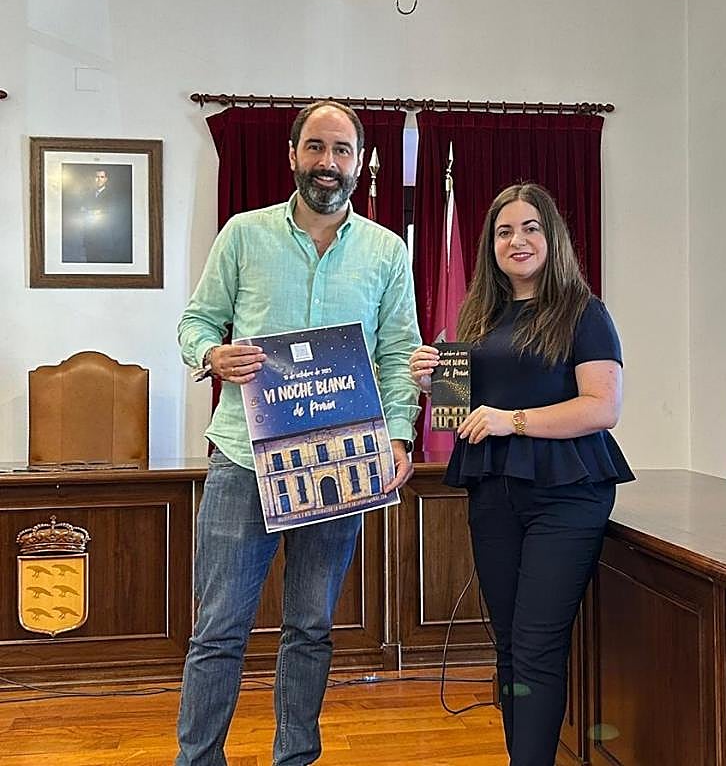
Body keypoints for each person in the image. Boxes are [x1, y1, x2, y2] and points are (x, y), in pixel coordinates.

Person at [176, 100, 422, 766]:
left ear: (362, 162)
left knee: (311, 629)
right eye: (316, 148)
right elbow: (195, 323)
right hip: (242, 461)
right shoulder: (243, 235)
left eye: (342, 151)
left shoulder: (386, 252)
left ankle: (296, 758)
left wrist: (399, 436)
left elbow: (401, 351)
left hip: (339, 461)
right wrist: (210, 356)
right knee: (218, 630)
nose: (328, 163)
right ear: (292, 154)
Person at [409, 182, 633, 766]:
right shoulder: (479, 316)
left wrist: (514, 420)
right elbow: (462, 416)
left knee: (535, 648)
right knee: (508, 648)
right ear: (491, 246)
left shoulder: (584, 311)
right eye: (504, 231)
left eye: (530, 227)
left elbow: (602, 408)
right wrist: (432, 383)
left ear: (550, 236)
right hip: (492, 495)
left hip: (566, 498)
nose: (518, 240)